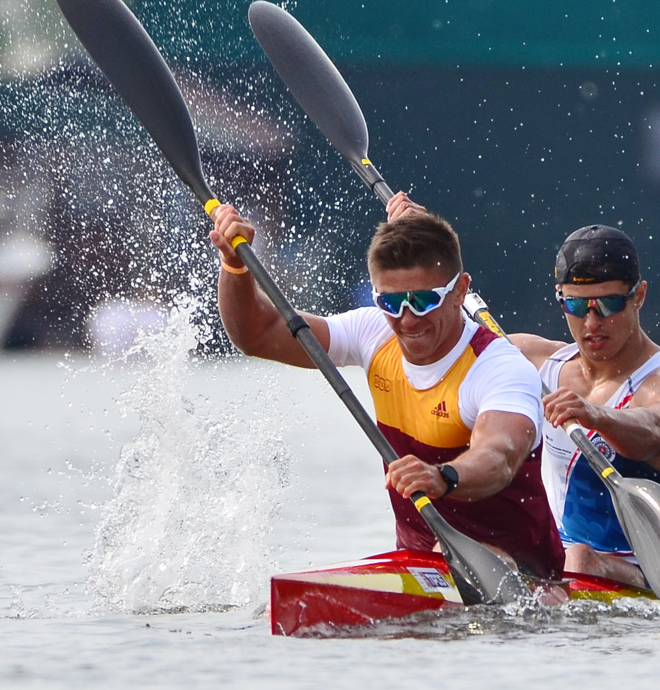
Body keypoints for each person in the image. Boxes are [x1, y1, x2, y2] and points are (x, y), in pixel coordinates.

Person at [209, 196, 565, 579]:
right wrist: (234, 266)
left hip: (522, 571)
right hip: (420, 565)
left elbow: (500, 457)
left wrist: (442, 477)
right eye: (390, 302)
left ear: (460, 291)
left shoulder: (498, 368)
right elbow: (257, 336)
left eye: (423, 300)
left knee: (456, 558)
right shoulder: (372, 332)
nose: (407, 320)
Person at [509, 225, 660, 589]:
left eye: (609, 304)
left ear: (639, 296)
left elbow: (658, 429)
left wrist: (596, 415)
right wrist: (424, 241)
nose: (592, 323)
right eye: (576, 305)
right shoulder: (536, 362)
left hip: (650, 577)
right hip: (553, 564)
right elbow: (437, 336)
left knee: (580, 557)